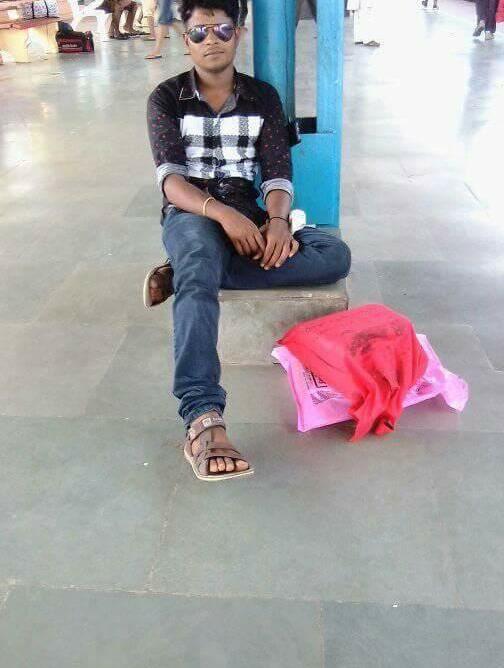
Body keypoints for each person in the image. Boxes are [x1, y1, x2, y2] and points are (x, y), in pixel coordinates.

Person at [146, 0, 351, 481]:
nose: (211, 40)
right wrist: (223, 217)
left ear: (238, 32)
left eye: (221, 29)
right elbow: (171, 183)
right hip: (192, 213)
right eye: (199, 32)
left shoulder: (262, 97)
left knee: (333, 255)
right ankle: (202, 416)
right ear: (185, 39)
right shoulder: (167, 98)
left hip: (250, 211)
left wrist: (276, 222)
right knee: (200, 256)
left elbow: (277, 172)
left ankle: (191, 269)